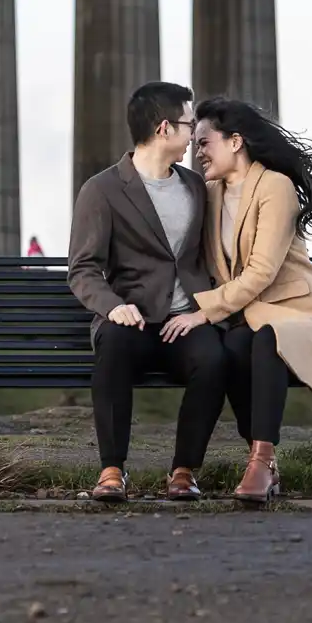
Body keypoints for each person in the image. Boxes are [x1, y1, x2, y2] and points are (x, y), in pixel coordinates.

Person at [170, 97, 312, 504]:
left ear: (235, 142)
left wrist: (202, 312)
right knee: (230, 347)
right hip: (246, 316)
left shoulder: (275, 187)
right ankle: (258, 460)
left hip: (297, 314)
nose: (198, 152)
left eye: (204, 142)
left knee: (266, 338)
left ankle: (263, 462)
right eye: (194, 143)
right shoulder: (209, 193)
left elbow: (262, 271)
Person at [66, 81, 226, 502]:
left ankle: (184, 471)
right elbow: (82, 269)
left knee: (213, 359)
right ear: (163, 129)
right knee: (113, 350)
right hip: (130, 320)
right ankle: (112, 472)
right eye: (190, 124)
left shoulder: (196, 187)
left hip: (183, 321)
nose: (194, 134)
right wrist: (113, 307)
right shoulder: (101, 190)